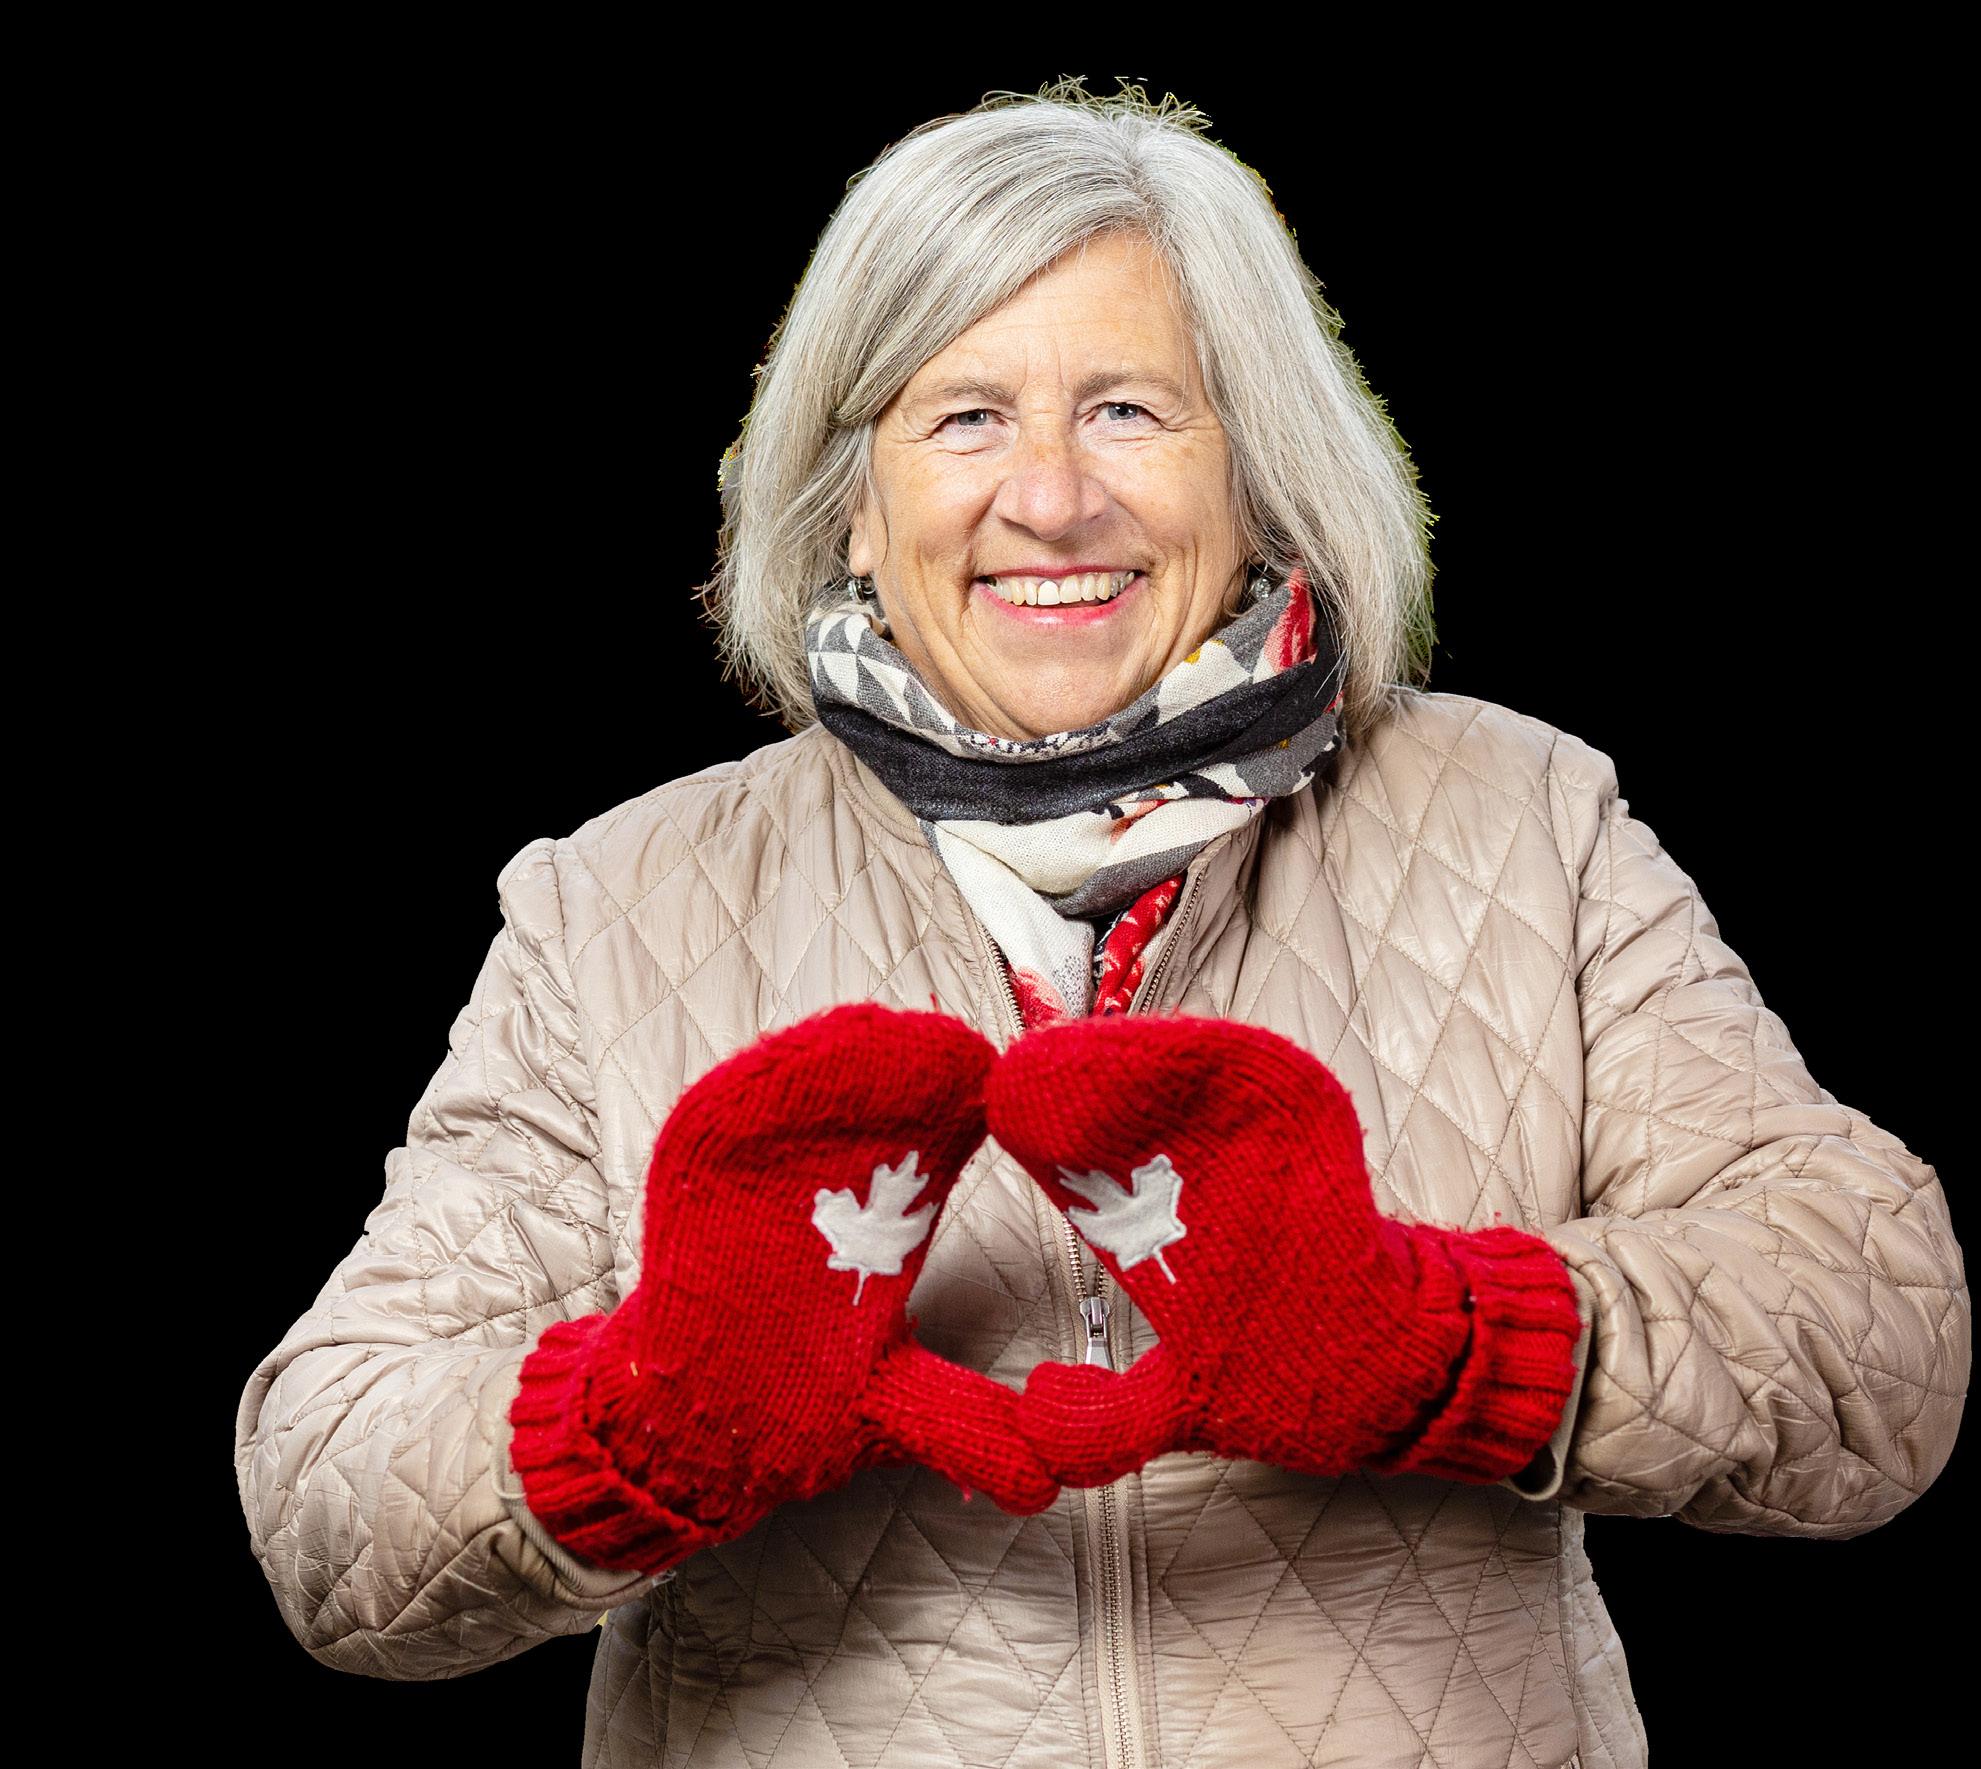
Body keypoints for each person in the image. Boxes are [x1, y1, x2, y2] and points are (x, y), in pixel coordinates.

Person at [233, 81, 1967, 1768]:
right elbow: (327, 1502)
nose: (1051, 497)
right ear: (853, 499)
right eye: (963, 418)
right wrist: (643, 1417)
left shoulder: (1520, 819)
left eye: (1129, 410)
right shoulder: (617, 900)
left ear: (1256, 465)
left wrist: (1443, 1340)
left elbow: (1876, 1340)